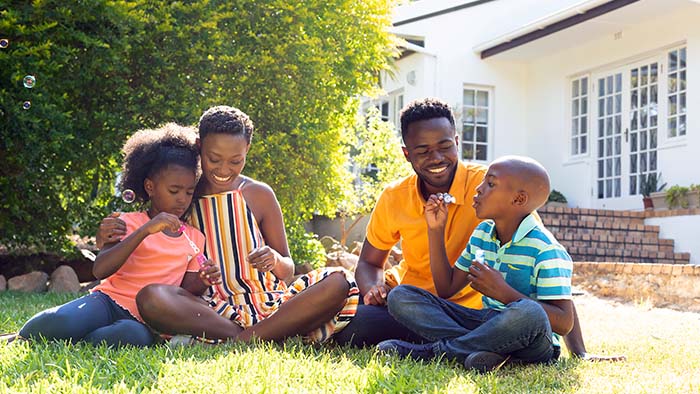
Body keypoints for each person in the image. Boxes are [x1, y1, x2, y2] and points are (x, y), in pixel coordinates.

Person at [334, 97, 625, 363]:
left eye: (445, 146)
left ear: (457, 142)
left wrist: (580, 351)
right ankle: (477, 347)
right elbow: (372, 262)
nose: (436, 158)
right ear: (407, 154)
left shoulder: (498, 191)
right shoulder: (396, 197)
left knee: (523, 316)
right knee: (355, 326)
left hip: (493, 316)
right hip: (432, 314)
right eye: (423, 150)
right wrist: (373, 289)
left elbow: (552, 280)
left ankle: (446, 350)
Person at [98, 106, 359, 343]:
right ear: (199, 147)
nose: (224, 169)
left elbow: (288, 270)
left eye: (235, 161)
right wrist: (106, 235)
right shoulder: (184, 193)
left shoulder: (258, 194)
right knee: (151, 297)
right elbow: (146, 225)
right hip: (212, 309)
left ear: (247, 150)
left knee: (339, 282)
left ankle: (245, 339)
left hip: (269, 302)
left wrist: (275, 259)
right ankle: (259, 336)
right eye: (214, 159)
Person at [17, 123, 220, 347]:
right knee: (59, 321)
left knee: (131, 336)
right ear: (150, 187)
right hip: (106, 302)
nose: (182, 199)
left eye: (189, 192)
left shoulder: (194, 237)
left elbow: (185, 291)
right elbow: (101, 269)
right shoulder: (128, 222)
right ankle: (25, 337)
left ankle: (78, 343)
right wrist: (145, 230)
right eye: (174, 191)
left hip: (144, 320)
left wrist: (203, 280)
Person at [378, 156, 573, 373]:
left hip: (532, 339)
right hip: (487, 323)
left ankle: (433, 352)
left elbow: (564, 322)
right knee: (401, 295)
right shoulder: (482, 233)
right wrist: (435, 230)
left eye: (490, 184)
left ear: (518, 199)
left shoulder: (545, 249)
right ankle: (489, 353)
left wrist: (504, 293)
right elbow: (446, 288)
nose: (478, 189)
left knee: (529, 312)